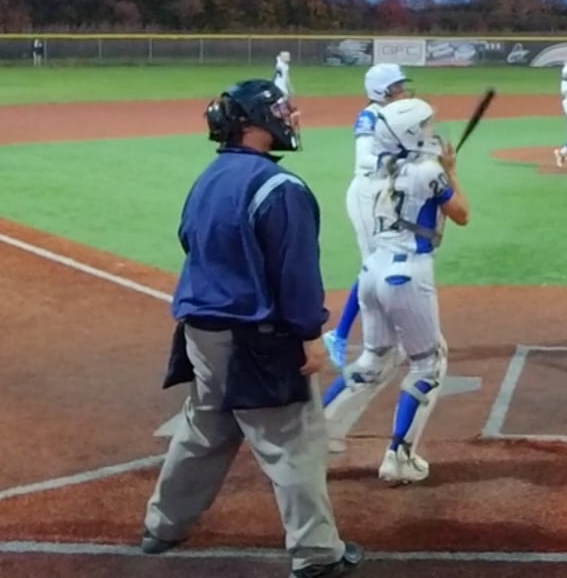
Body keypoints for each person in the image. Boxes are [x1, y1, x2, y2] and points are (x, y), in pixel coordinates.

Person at [139, 79, 363, 575]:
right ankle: (316, 553)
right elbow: (295, 272)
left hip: (200, 332)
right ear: (253, 124)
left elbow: (187, 239)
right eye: (278, 111)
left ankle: (162, 526)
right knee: (292, 442)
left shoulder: (209, 177)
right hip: (255, 339)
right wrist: (309, 334)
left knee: (204, 430)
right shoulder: (280, 188)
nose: (289, 118)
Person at [320, 98, 471, 484]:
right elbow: (461, 214)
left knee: (375, 358)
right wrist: (452, 172)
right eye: (423, 126)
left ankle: (316, 434)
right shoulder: (428, 172)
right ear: (408, 134)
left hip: (372, 272)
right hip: (407, 275)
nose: (430, 130)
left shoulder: (377, 169)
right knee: (429, 362)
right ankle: (399, 457)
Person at [323, 63, 413, 371]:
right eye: (396, 87)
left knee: (385, 264)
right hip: (366, 194)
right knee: (373, 265)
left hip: (386, 195)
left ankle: (384, 335)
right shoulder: (370, 116)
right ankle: (340, 335)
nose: (402, 91)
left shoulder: (399, 117)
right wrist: (401, 162)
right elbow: (363, 159)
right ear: (381, 90)